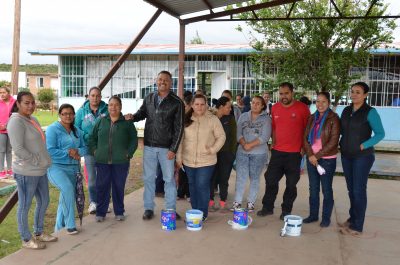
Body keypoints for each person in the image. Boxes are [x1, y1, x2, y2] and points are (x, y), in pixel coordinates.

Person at [131, 70, 184, 220]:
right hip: (149, 146)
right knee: (148, 178)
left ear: (170, 83)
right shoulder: (149, 98)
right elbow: (141, 113)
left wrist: (173, 149)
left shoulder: (177, 102)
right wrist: (132, 117)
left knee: (169, 179)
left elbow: (179, 128)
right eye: (160, 79)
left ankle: (171, 209)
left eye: (166, 80)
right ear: (156, 81)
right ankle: (148, 208)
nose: (162, 82)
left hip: (166, 148)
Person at [7, 91, 57, 249]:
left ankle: (39, 232)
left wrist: (44, 160)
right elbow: (19, 149)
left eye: (32, 103)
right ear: (18, 104)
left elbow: (40, 144)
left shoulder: (32, 119)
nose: (30, 106)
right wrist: (38, 160)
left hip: (40, 170)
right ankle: (26, 239)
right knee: (25, 205)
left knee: (44, 201)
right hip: (26, 172)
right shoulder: (15, 122)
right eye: (26, 103)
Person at [257, 82, 310, 220]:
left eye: (286, 93)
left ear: (292, 93)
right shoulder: (275, 108)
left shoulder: (302, 108)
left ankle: (286, 210)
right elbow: (274, 128)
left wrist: (304, 147)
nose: (283, 96)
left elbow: (308, 129)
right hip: (277, 152)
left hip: (295, 154)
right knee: (270, 179)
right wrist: (273, 144)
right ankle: (267, 207)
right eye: (281, 93)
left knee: (291, 184)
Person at [339, 82, 385, 235]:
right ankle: (353, 218)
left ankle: (357, 226)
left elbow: (380, 134)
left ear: (365, 95)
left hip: (362, 157)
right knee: (351, 190)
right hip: (346, 156)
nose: (353, 95)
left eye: (358, 92)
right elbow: (340, 129)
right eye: (352, 91)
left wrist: (364, 145)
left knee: (358, 190)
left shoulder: (370, 112)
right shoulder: (346, 110)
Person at [176, 94, 226, 221]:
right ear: (192, 105)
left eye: (202, 104)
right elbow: (180, 140)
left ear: (206, 105)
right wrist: (179, 157)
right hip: (188, 160)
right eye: (196, 104)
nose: (199, 107)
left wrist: (212, 149)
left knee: (202, 185)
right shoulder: (186, 119)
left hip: (207, 160)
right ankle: (195, 211)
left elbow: (221, 137)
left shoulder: (213, 119)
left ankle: (202, 213)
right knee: (192, 185)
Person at [89, 96, 138, 222]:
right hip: (102, 161)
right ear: (108, 106)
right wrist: (95, 151)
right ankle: (101, 212)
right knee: (102, 186)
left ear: (120, 106)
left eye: (116, 105)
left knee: (118, 186)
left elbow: (134, 140)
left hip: (120, 161)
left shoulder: (127, 122)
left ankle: (119, 211)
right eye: (111, 105)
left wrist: (129, 153)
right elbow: (92, 138)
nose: (113, 107)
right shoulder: (101, 121)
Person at [46, 104, 88, 234]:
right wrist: (68, 153)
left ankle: (58, 228)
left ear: (74, 115)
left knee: (65, 196)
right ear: (60, 115)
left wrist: (77, 150)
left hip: (74, 169)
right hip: (56, 168)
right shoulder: (53, 129)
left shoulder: (77, 130)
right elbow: (50, 150)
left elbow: (85, 148)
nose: (68, 116)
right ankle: (70, 225)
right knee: (68, 189)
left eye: (70, 113)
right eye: (64, 113)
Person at [303, 92, 340, 227]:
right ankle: (313, 215)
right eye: (318, 101)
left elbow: (333, 141)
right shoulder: (312, 118)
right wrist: (310, 154)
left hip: (327, 160)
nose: (320, 104)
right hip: (312, 158)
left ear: (328, 103)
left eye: (323, 101)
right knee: (313, 188)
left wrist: (316, 156)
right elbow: (305, 137)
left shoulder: (334, 118)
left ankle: (326, 218)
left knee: (326, 189)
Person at [231, 96, 272, 212]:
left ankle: (251, 202)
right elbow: (238, 133)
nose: (255, 105)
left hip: (259, 153)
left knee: (254, 178)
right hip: (242, 152)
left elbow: (265, 137)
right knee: (241, 177)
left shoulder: (266, 119)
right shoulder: (243, 116)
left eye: (258, 103)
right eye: (253, 103)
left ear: (263, 106)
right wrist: (244, 144)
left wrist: (250, 145)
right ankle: (237, 202)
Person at [75, 86, 108, 214]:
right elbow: (76, 128)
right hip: (89, 149)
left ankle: (104, 202)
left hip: (104, 149)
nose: (95, 98)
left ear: (100, 97)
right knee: (92, 179)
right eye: (92, 95)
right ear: (88, 97)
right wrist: (86, 136)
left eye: (97, 96)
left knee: (104, 178)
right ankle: (94, 202)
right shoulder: (81, 112)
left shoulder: (106, 110)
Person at [209, 96, 237, 212]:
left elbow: (233, 138)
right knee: (211, 178)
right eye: (228, 107)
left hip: (226, 154)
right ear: (220, 107)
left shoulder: (230, 119)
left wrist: (231, 154)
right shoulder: (210, 118)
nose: (230, 109)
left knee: (224, 179)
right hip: (212, 154)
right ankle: (210, 203)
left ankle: (222, 203)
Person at [177, 94, 193, 200]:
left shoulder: (193, 117)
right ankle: (180, 193)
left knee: (188, 174)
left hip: (190, 149)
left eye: (185, 106)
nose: (183, 108)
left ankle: (189, 193)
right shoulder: (181, 116)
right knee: (182, 172)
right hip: (181, 148)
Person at [0, 86, 16, 178]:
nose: (1, 94)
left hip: (11, 129)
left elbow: (16, 114)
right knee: (1, 150)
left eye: (3, 92)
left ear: (8, 93)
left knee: (9, 150)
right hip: (1, 130)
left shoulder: (14, 102)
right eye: (0, 93)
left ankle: (10, 169)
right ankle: (1, 170)